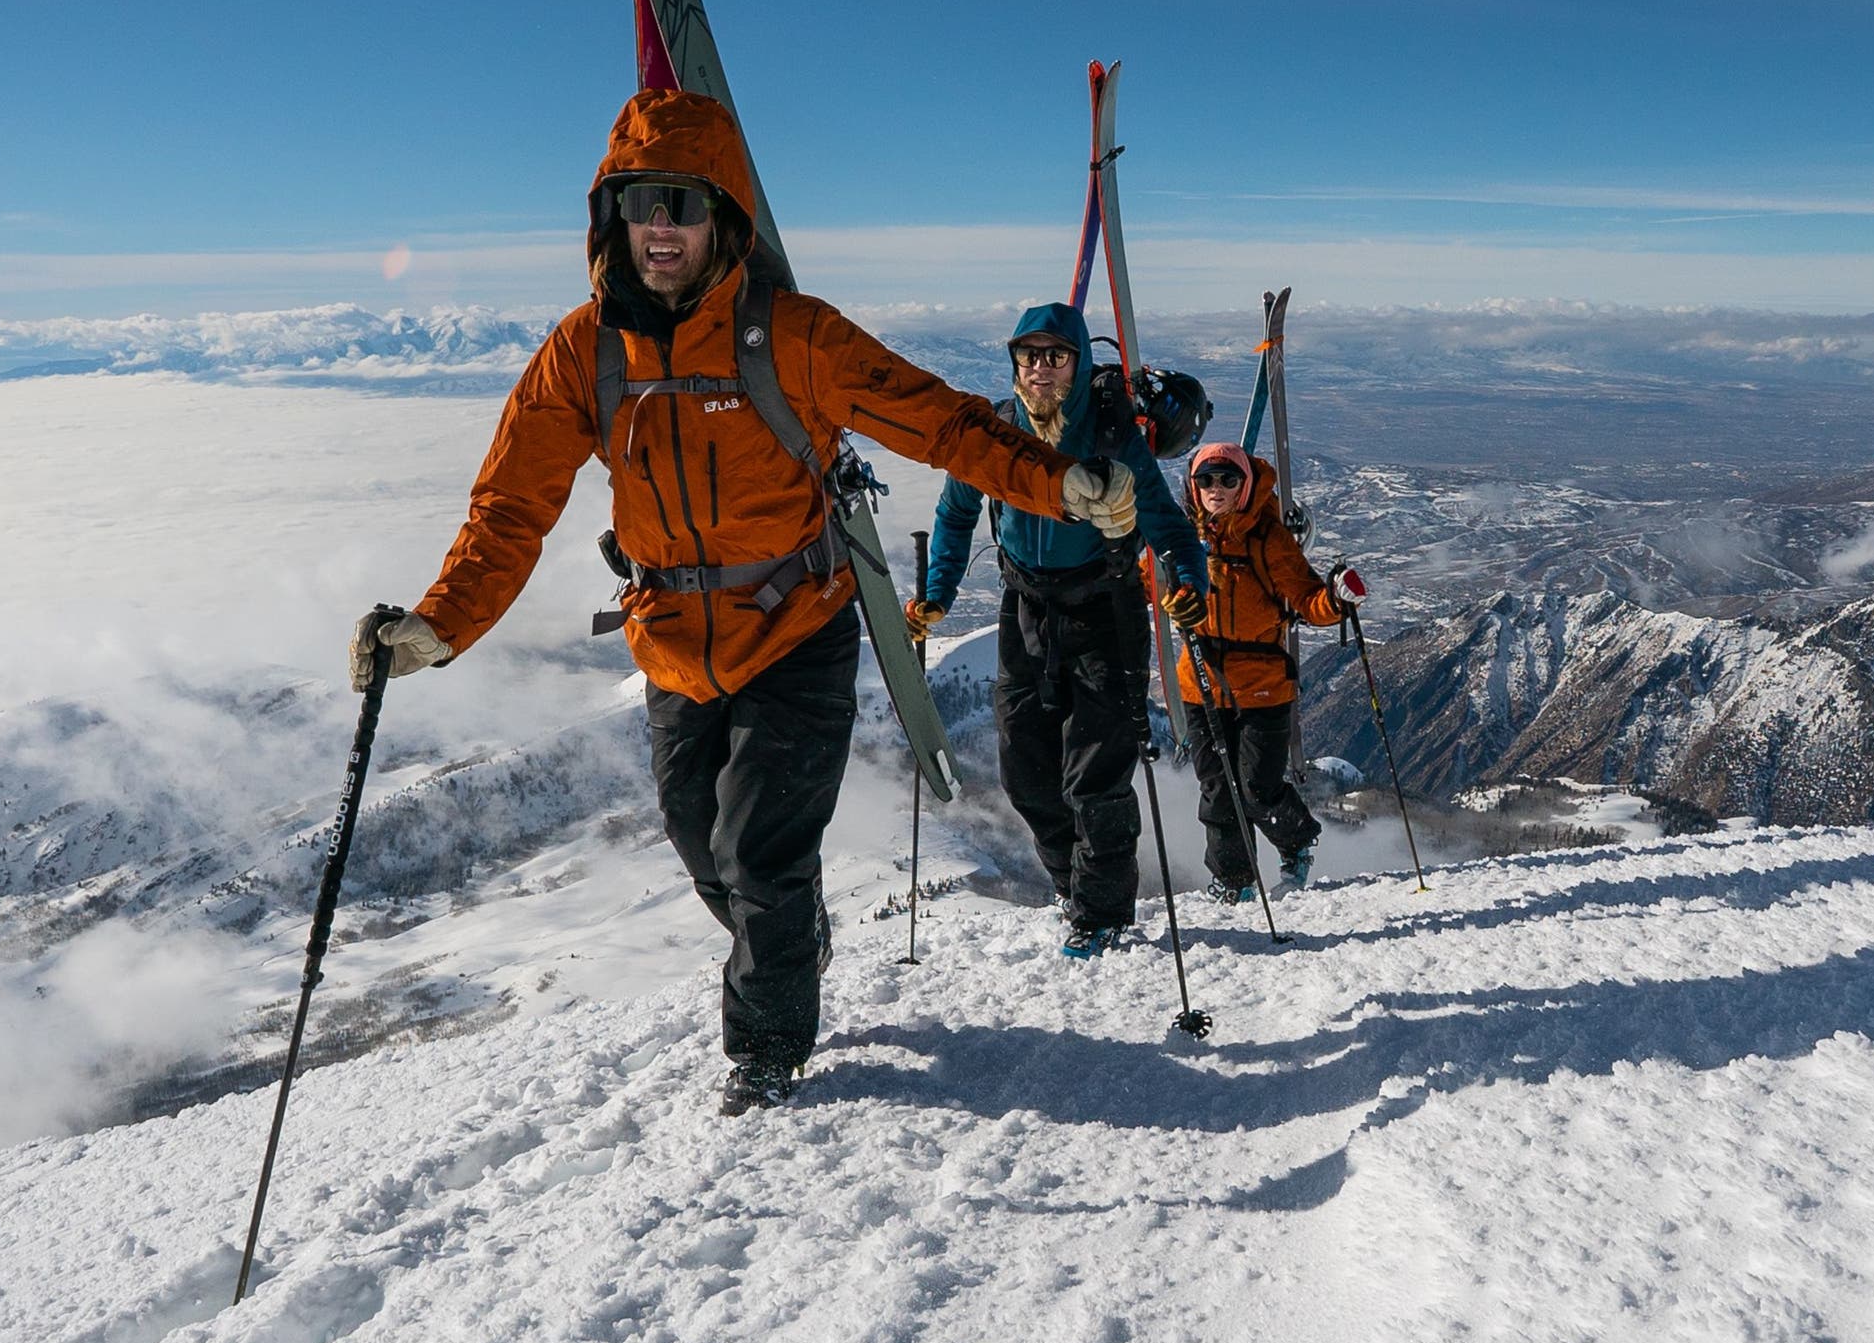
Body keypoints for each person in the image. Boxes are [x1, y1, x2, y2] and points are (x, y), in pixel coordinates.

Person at [354, 90, 1137, 1113]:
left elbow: (938, 424)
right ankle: (796, 940)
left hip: (797, 627)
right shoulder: (584, 353)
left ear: (724, 218)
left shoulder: (793, 337)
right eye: (642, 204)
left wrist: (1059, 479)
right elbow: (511, 508)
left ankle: (764, 1059)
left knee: (759, 850)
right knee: (703, 848)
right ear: (612, 221)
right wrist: (439, 626)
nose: (663, 225)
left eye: (683, 201)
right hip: (671, 644)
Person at [912, 304, 1206, 958]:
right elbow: (955, 515)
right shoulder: (995, 431)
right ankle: (1074, 889)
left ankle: (1101, 914)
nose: (1040, 367)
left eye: (1055, 355)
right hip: (1025, 611)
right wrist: (937, 593)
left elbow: (1169, 527)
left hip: (1107, 609)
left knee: (1095, 777)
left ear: (1079, 360)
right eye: (1029, 355)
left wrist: (1189, 583)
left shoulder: (1110, 434)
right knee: (1025, 773)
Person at [1150, 440, 1355, 899]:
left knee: (1258, 788)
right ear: (1193, 486)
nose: (1216, 488)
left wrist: (1338, 600)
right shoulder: (1181, 536)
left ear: (1245, 485)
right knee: (1217, 790)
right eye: (1206, 479)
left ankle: (1297, 840)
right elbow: (1154, 585)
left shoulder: (1267, 538)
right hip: (1199, 681)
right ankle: (1233, 881)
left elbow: (1307, 599)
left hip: (1262, 684)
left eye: (1227, 479)